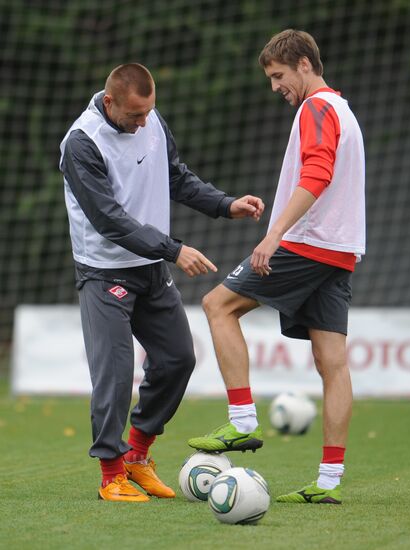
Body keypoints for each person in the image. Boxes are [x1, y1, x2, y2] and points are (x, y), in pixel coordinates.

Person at [59, 63, 264, 502]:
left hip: (149, 270)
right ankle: (111, 474)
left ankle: (137, 456)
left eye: (149, 111)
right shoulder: (82, 143)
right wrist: (173, 249)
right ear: (110, 101)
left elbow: (175, 177)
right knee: (115, 374)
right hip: (104, 271)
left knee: (177, 360)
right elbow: (109, 220)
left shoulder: (151, 121)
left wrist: (225, 205)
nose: (144, 122)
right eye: (135, 115)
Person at [188, 29, 365, 505]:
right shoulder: (344, 111)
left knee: (217, 305)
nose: (276, 87)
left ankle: (242, 422)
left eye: (279, 75)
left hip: (308, 243)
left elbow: (317, 174)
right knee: (333, 363)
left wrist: (273, 235)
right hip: (342, 250)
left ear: (305, 64)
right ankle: (327, 482)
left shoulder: (318, 107)